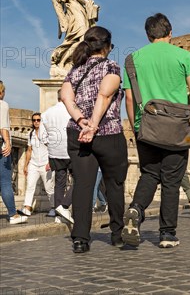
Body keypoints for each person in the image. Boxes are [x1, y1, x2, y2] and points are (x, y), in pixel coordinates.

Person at [122, 13, 190, 248]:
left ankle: (136, 209)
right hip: (176, 129)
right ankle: (167, 234)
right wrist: (179, 99)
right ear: (170, 32)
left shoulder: (132, 59)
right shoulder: (184, 56)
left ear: (148, 35)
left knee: (149, 174)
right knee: (171, 180)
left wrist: (137, 126)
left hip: (146, 127)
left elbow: (129, 98)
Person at [60, 26, 128, 253]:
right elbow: (105, 95)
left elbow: (67, 99)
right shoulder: (111, 66)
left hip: (76, 133)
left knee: (82, 185)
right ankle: (117, 235)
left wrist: (81, 122)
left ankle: (80, 238)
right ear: (107, 47)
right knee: (114, 185)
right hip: (108, 133)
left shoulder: (74, 70)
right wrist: (93, 125)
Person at [42, 90, 74, 225]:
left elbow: (43, 137)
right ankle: (65, 206)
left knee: (59, 183)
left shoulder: (47, 113)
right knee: (80, 180)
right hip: (71, 150)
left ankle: (58, 214)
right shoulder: (72, 110)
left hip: (55, 152)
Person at [0, 81, 28, 225]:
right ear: (1, 92)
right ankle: (13, 215)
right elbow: (3, 126)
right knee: (5, 182)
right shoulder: (2, 105)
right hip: (1, 147)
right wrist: (8, 143)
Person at [20, 112, 55, 217]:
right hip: (33, 164)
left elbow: (51, 148)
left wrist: (50, 162)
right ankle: (27, 207)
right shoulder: (30, 134)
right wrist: (26, 165)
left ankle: (54, 208)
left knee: (49, 188)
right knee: (30, 186)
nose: (36, 122)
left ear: (41, 121)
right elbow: (29, 150)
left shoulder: (47, 134)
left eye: (38, 120)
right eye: (34, 120)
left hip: (45, 164)